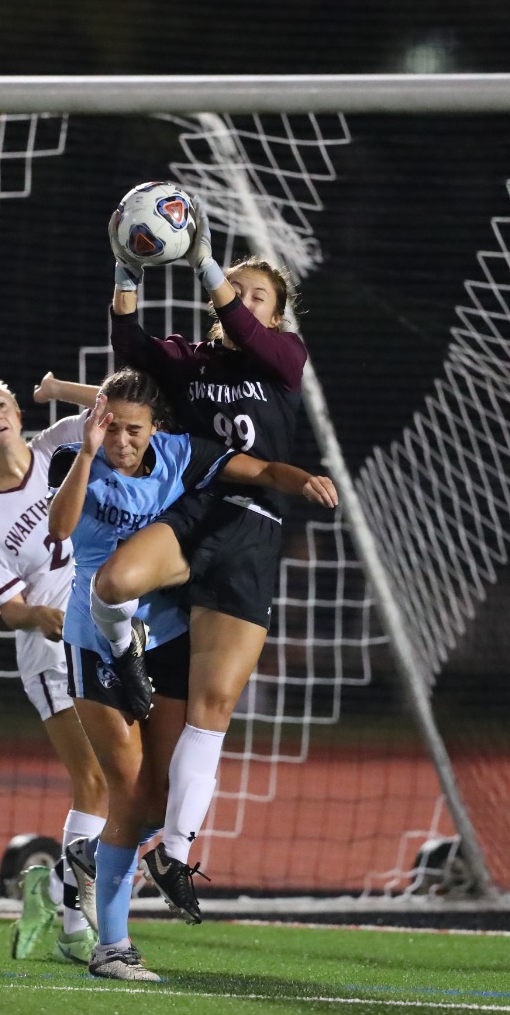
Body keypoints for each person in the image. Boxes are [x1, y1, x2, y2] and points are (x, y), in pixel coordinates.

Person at [46, 369, 336, 981]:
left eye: (133, 429)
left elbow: (260, 470)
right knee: (129, 793)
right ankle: (113, 948)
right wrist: (89, 451)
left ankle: (92, 853)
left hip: (168, 636)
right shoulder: (77, 459)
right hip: (96, 641)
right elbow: (60, 529)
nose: (122, 440)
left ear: (155, 427)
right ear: (97, 423)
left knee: (157, 800)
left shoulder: (179, 453)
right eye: (111, 427)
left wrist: (303, 479)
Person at [95, 203, 312, 923]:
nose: (241, 302)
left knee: (212, 706)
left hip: (253, 531)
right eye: (235, 291)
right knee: (115, 582)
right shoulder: (191, 362)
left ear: (276, 316)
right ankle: (120, 655)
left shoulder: (285, 359)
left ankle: (176, 851)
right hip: (195, 514)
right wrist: (128, 271)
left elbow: (246, 330)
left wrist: (207, 265)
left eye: (258, 296)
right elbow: (129, 344)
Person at [0, 376, 105, 965]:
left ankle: (51, 888)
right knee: (95, 782)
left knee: (138, 784)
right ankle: (75, 929)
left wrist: (57, 388)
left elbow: (115, 405)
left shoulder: (56, 447)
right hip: (51, 653)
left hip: (108, 629)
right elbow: (10, 609)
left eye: (1, 404)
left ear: (18, 412)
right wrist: (41, 615)